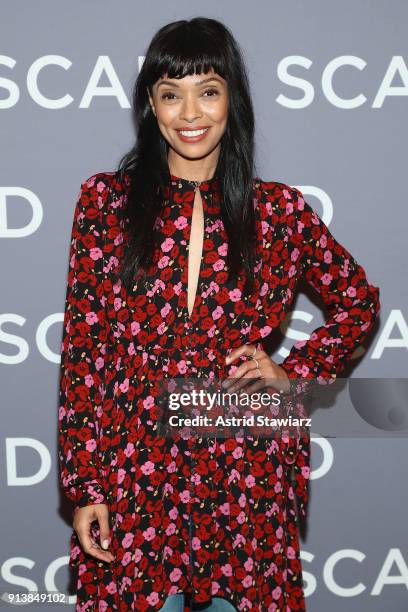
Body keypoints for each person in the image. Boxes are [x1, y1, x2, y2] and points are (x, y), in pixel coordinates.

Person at [57, 16, 381, 612]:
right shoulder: (105, 203)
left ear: (232, 98)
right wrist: (87, 485)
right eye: (170, 94)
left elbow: (358, 303)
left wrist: (295, 375)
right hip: (138, 459)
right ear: (150, 107)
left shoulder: (279, 211)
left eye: (207, 90)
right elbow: (85, 352)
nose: (190, 113)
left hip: (246, 455)